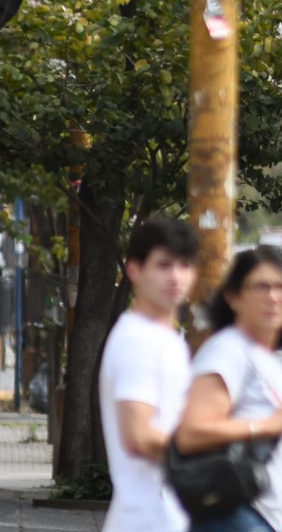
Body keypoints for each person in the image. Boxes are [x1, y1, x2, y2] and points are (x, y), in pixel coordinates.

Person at [173, 246, 282, 532]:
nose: (273, 297)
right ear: (233, 296)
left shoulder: (260, 355)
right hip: (238, 517)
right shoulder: (228, 351)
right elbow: (191, 433)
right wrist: (270, 425)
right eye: (261, 287)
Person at [98, 218, 200, 531]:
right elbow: (139, 436)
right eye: (164, 265)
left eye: (184, 265)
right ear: (134, 270)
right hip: (146, 518)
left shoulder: (165, 338)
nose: (175, 277)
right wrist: (209, 452)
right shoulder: (137, 341)